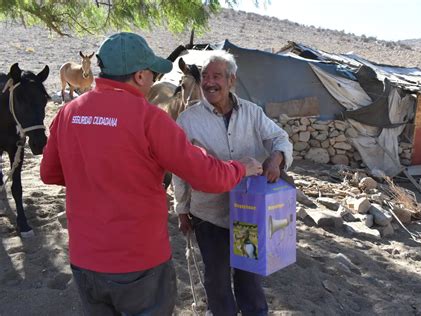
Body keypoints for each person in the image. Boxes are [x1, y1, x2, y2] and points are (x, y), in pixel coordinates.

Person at [40, 32, 263, 316]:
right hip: (139, 263)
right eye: (154, 75)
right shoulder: (149, 119)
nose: (155, 81)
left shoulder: (69, 112)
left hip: (85, 261)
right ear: (141, 75)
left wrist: (95, 176)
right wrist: (240, 167)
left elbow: (49, 173)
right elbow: (208, 177)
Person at [173, 50, 293, 316]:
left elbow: (280, 138)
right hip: (209, 214)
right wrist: (182, 209)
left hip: (249, 214)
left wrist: (277, 158)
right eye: (205, 76)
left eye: (217, 76)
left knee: (248, 275)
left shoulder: (252, 113)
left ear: (231, 81)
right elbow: (180, 169)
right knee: (216, 279)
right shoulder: (188, 121)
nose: (209, 82)